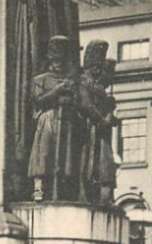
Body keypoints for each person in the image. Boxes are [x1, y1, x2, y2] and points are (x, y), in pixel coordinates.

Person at [28, 35, 80, 202]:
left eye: (62, 58)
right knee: (43, 152)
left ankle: (62, 189)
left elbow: (79, 101)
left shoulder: (72, 81)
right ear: (49, 56)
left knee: (65, 157)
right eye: (55, 56)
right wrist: (57, 91)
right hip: (47, 118)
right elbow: (38, 100)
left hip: (66, 120)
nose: (59, 61)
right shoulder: (40, 79)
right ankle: (39, 187)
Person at [78, 40, 119, 205]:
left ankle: (103, 196)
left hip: (99, 131)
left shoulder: (98, 86)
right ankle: (86, 195)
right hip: (88, 129)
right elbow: (86, 105)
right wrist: (104, 119)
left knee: (103, 163)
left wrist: (109, 114)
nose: (100, 68)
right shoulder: (83, 82)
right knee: (87, 163)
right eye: (98, 64)